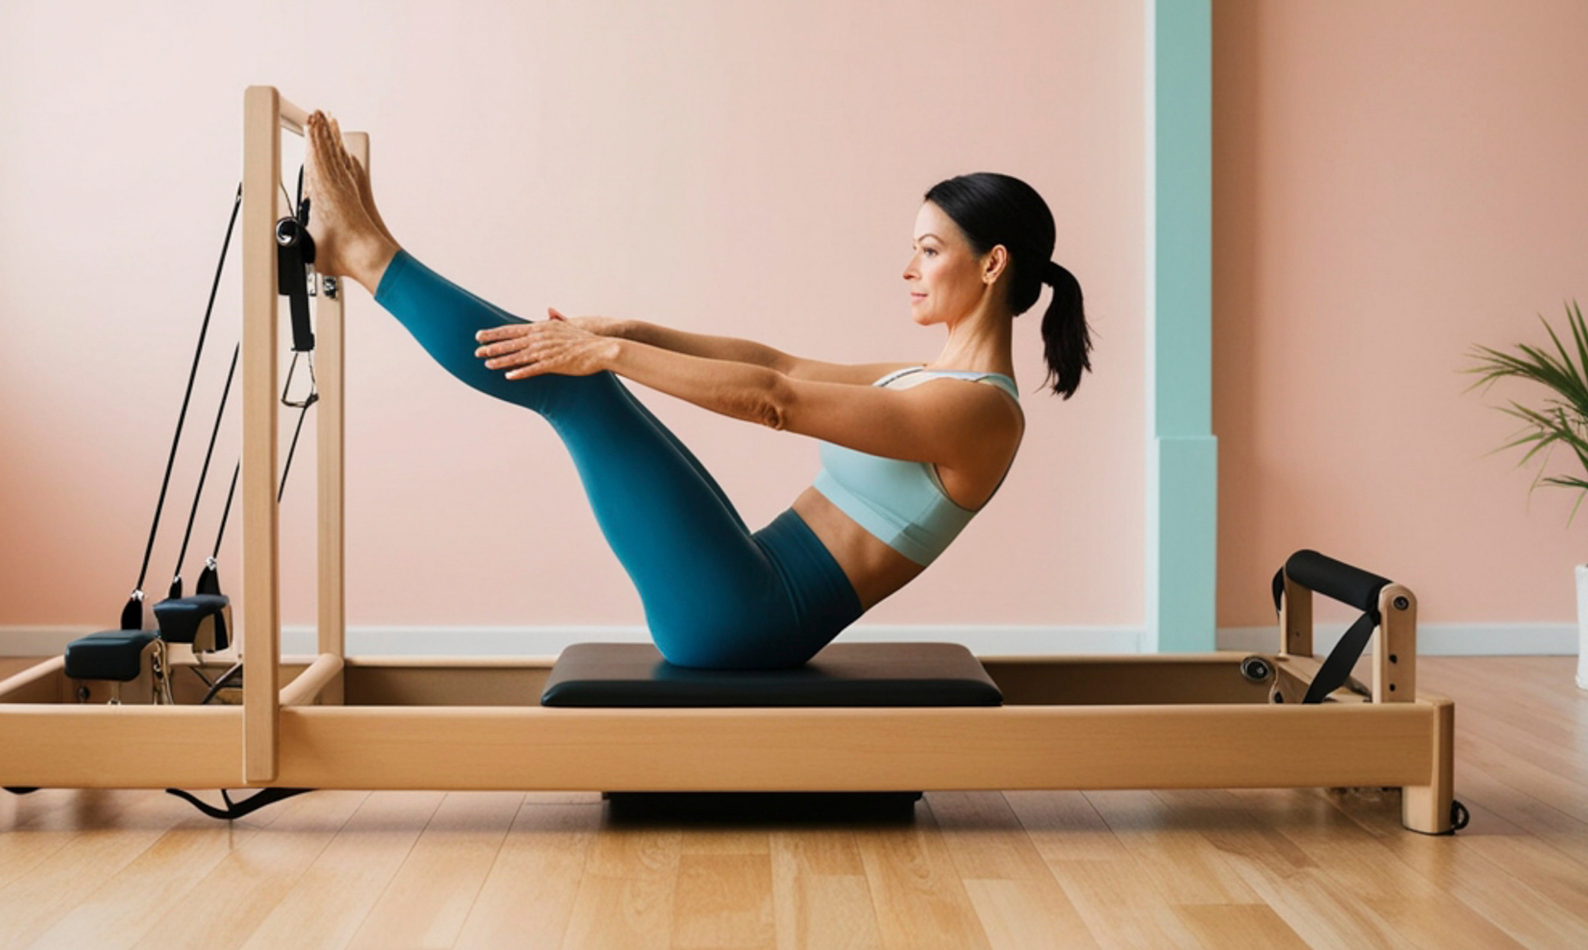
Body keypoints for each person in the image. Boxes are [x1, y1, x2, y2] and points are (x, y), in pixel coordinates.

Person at [303, 110, 1091, 668]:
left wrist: (606, 352)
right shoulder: (930, 381)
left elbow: (775, 401)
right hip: (750, 580)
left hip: (747, 619)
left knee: (578, 389)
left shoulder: (980, 410)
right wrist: (633, 331)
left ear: (992, 264)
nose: (909, 269)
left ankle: (367, 255)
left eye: (929, 251)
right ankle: (368, 248)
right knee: (589, 380)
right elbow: (780, 363)